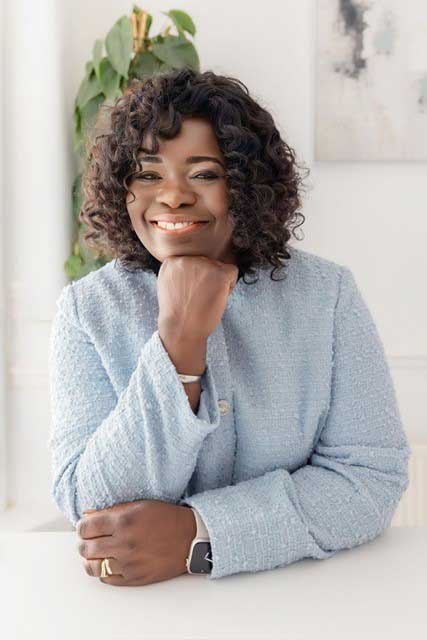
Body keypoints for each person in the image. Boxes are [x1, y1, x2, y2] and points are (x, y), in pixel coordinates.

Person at [48, 68, 411, 586]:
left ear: (245, 185)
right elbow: (96, 510)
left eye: (204, 173)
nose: (172, 196)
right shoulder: (87, 311)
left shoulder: (327, 297)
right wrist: (179, 343)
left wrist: (199, 536)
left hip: (312, 604)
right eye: (148, 174)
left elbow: (369, 477)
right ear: (122, 189)